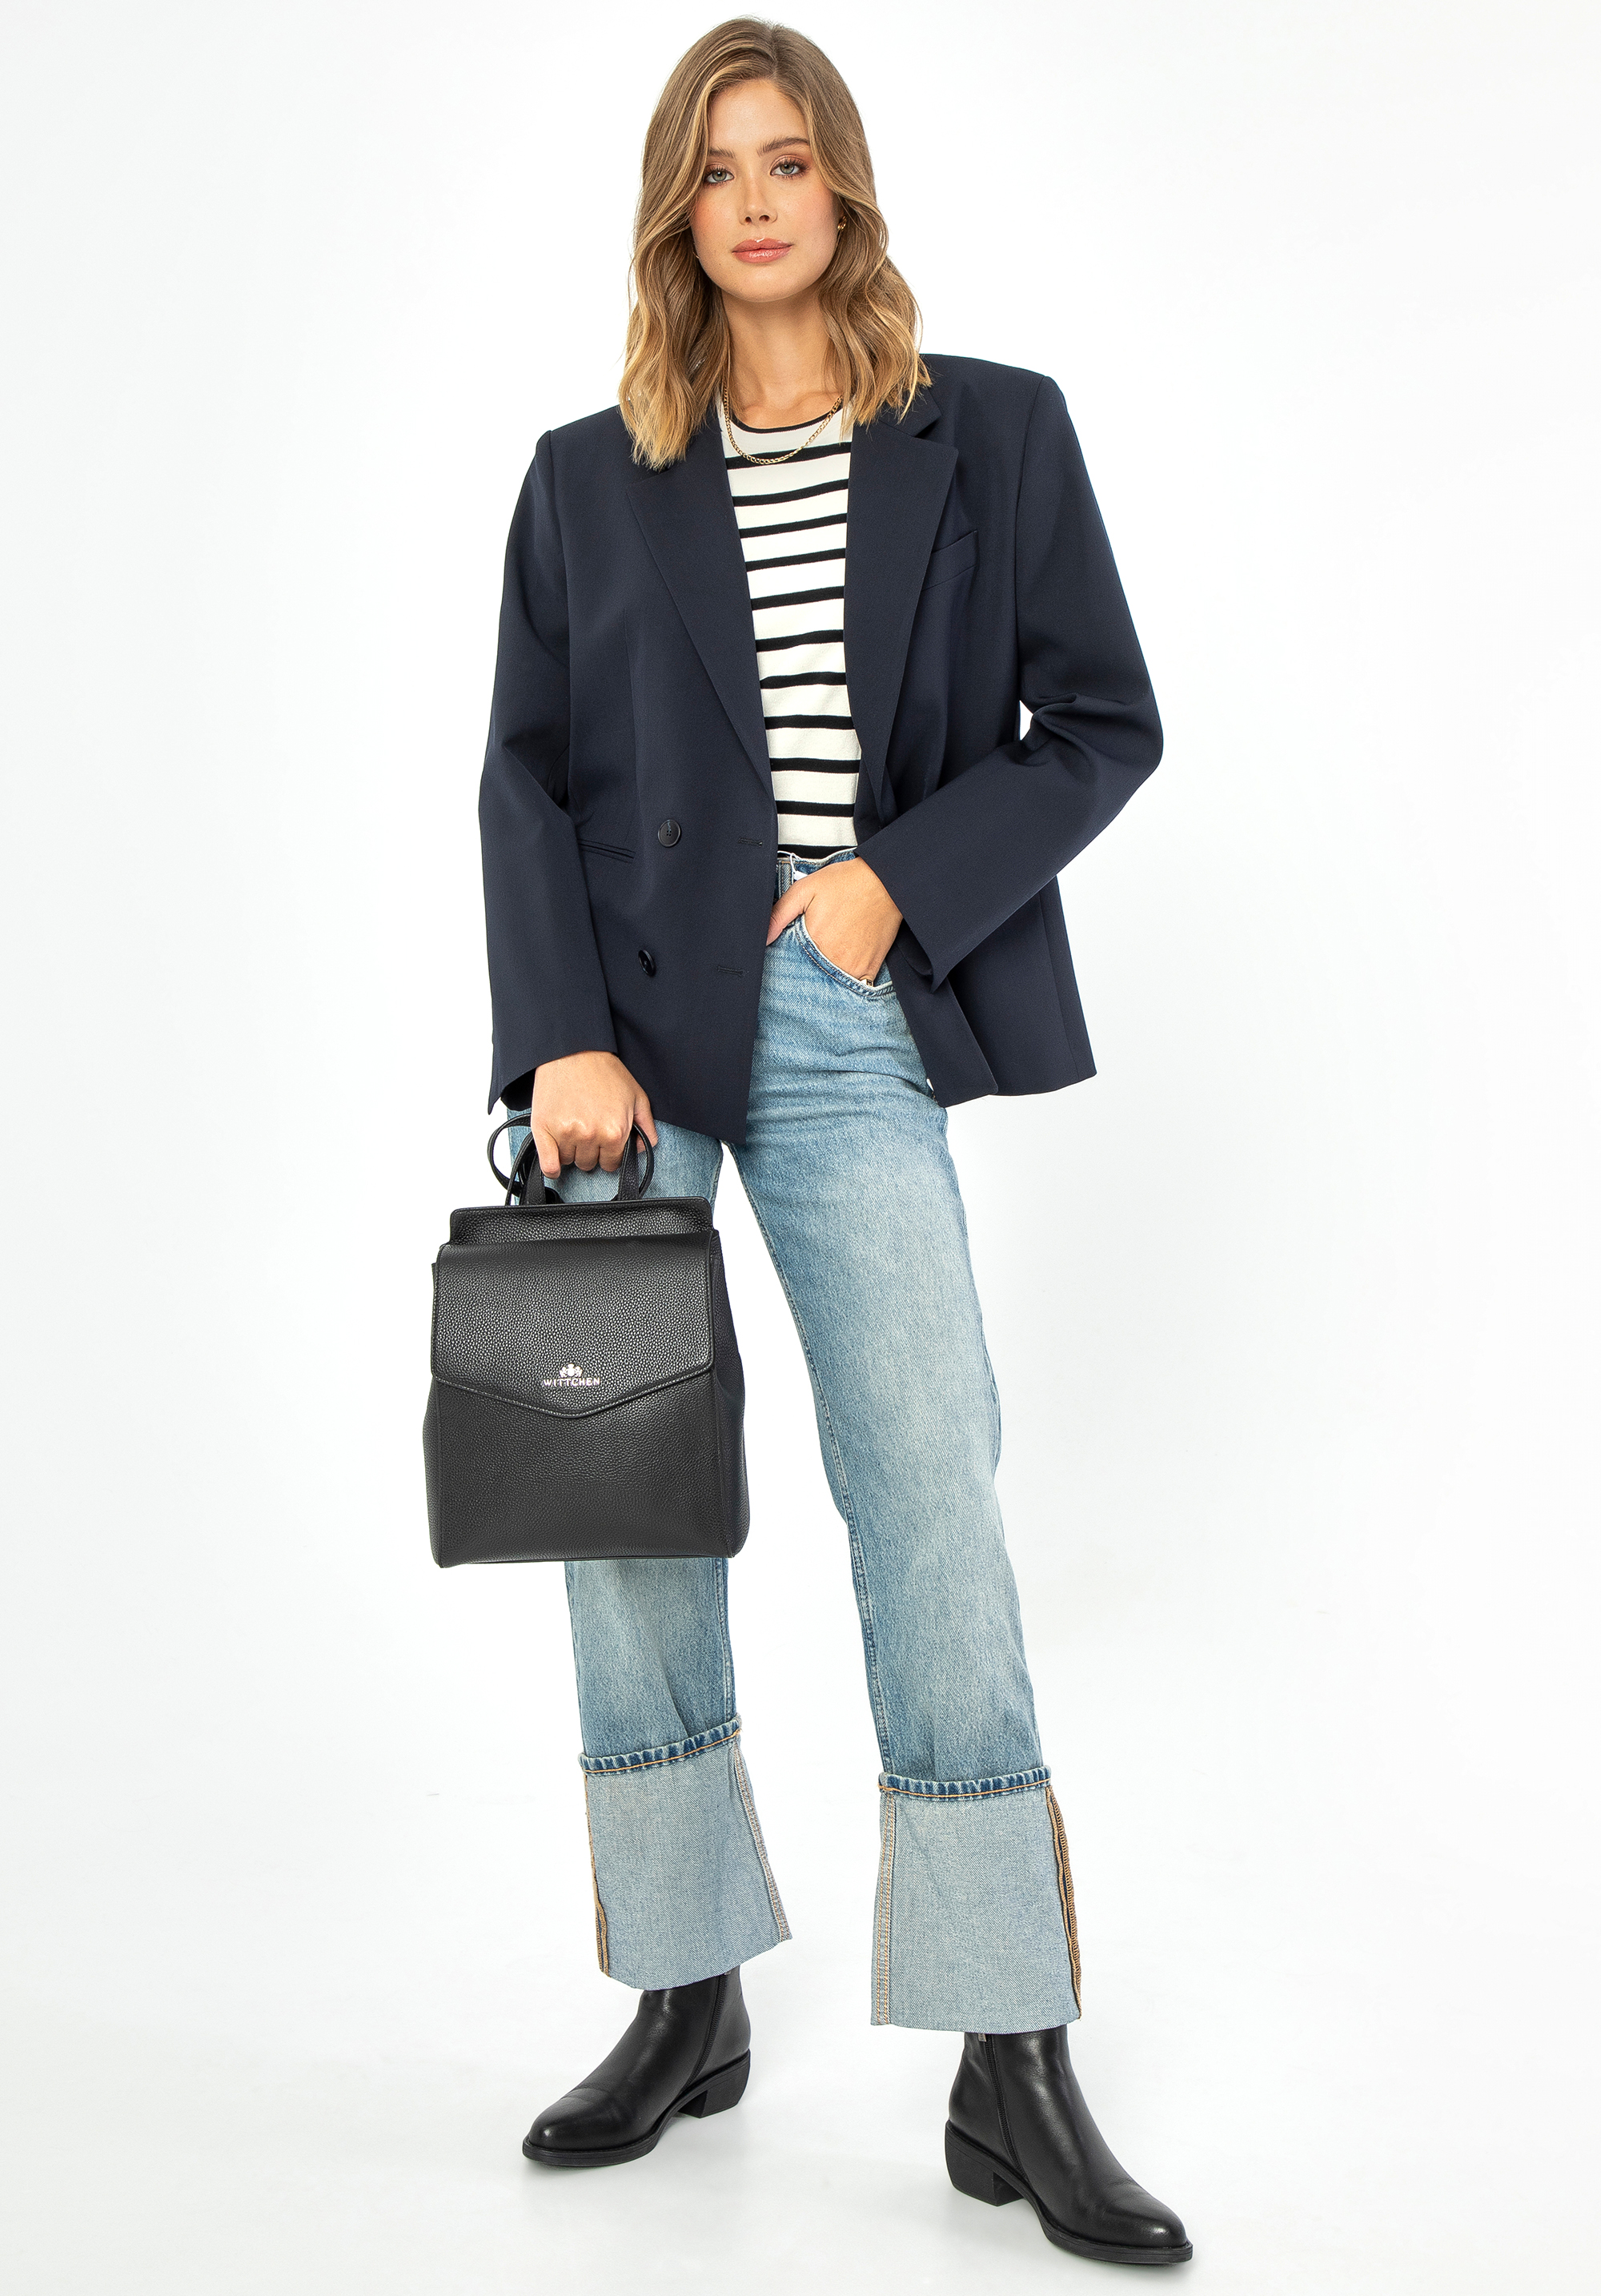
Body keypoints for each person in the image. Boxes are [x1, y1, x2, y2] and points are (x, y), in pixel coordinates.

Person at [478, 17, 1190, 2266]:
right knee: (622, 1495)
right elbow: (526, 778)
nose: (758, 200)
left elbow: (1102, 721)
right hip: (624, 1035)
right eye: (719, 170)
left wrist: (901, 879)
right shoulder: (589, 477)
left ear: (843, 184)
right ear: (676, 215)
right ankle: (685, 1987)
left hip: (846, 997)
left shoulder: (993, 431)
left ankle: (1010, 2040)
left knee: (927, 1482)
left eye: (789, 159)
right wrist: (557, 1040)